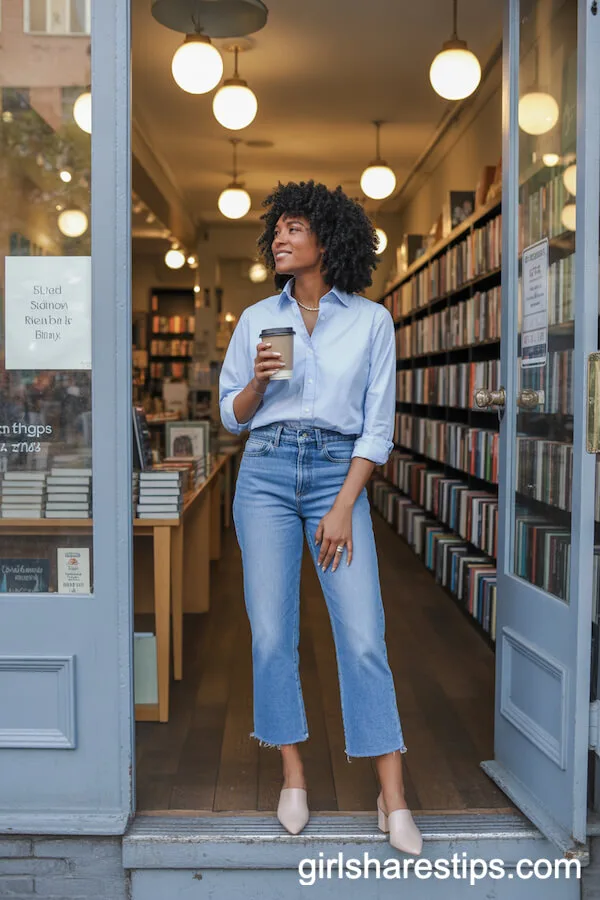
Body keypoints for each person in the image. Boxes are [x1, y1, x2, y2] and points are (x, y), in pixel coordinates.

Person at [219, 180, 422, 856]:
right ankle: (294, 775)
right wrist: (256, 382)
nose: (279, 237)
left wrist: (343, 506)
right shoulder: (254, 318)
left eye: (294, 227)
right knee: (271, 634)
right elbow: (230, 413)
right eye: (275, 229)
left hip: (340, 473)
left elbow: (377, 427)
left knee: (364, 634)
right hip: (267, 474)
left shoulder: (370, 322)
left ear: (328, 240)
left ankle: (391, 794)